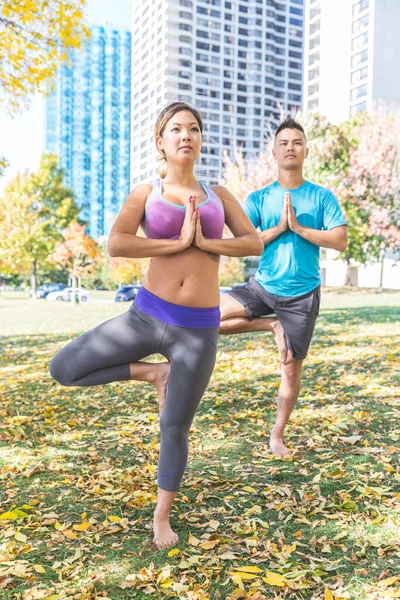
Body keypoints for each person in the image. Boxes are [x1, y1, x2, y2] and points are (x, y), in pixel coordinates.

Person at [49, 102, 263, 549]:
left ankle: (161, 516)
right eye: (176, 129)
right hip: (145, 318)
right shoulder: (146, 191)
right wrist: (176, 243)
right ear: (161, 141)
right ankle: (151, 372)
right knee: (64, 369)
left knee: (175, 425)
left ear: (200, 139)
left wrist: (205, 240)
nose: (186, 135)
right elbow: (117, 242)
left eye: (194, 129)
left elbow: (253, 241)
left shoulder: (219, 194)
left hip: (198, 331)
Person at [219, 117, 348, 456]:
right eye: (284, 142)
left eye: (297, 142)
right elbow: (241, 242)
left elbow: (340, 240)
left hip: (302, 295)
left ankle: (277, 435)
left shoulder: (321, 196)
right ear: (274, 152)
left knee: (290, 370)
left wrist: (300, 229)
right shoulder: (260, 198)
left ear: (306, 150)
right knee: (205, 317)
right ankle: (268, 324)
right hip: (262, 287)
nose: (290, 147)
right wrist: (278, 228)